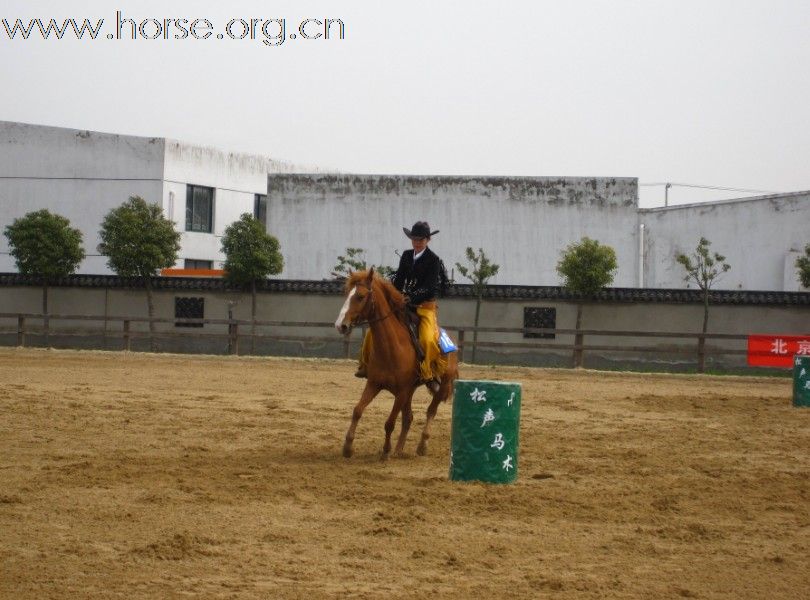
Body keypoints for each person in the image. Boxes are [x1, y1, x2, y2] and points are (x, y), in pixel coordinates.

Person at [356, 221, 447, 393]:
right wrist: (391, 293)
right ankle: (365, 366)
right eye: (414, 239)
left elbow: (429, 287)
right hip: (403, 304)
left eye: (420, 239)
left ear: (428, 240)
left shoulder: (433, 260)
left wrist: (411, 296)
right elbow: (399, 280)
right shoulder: (406, 256)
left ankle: (429, 374)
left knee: (427, 339)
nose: (417, 242)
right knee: (372, 331)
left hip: (424, 306)